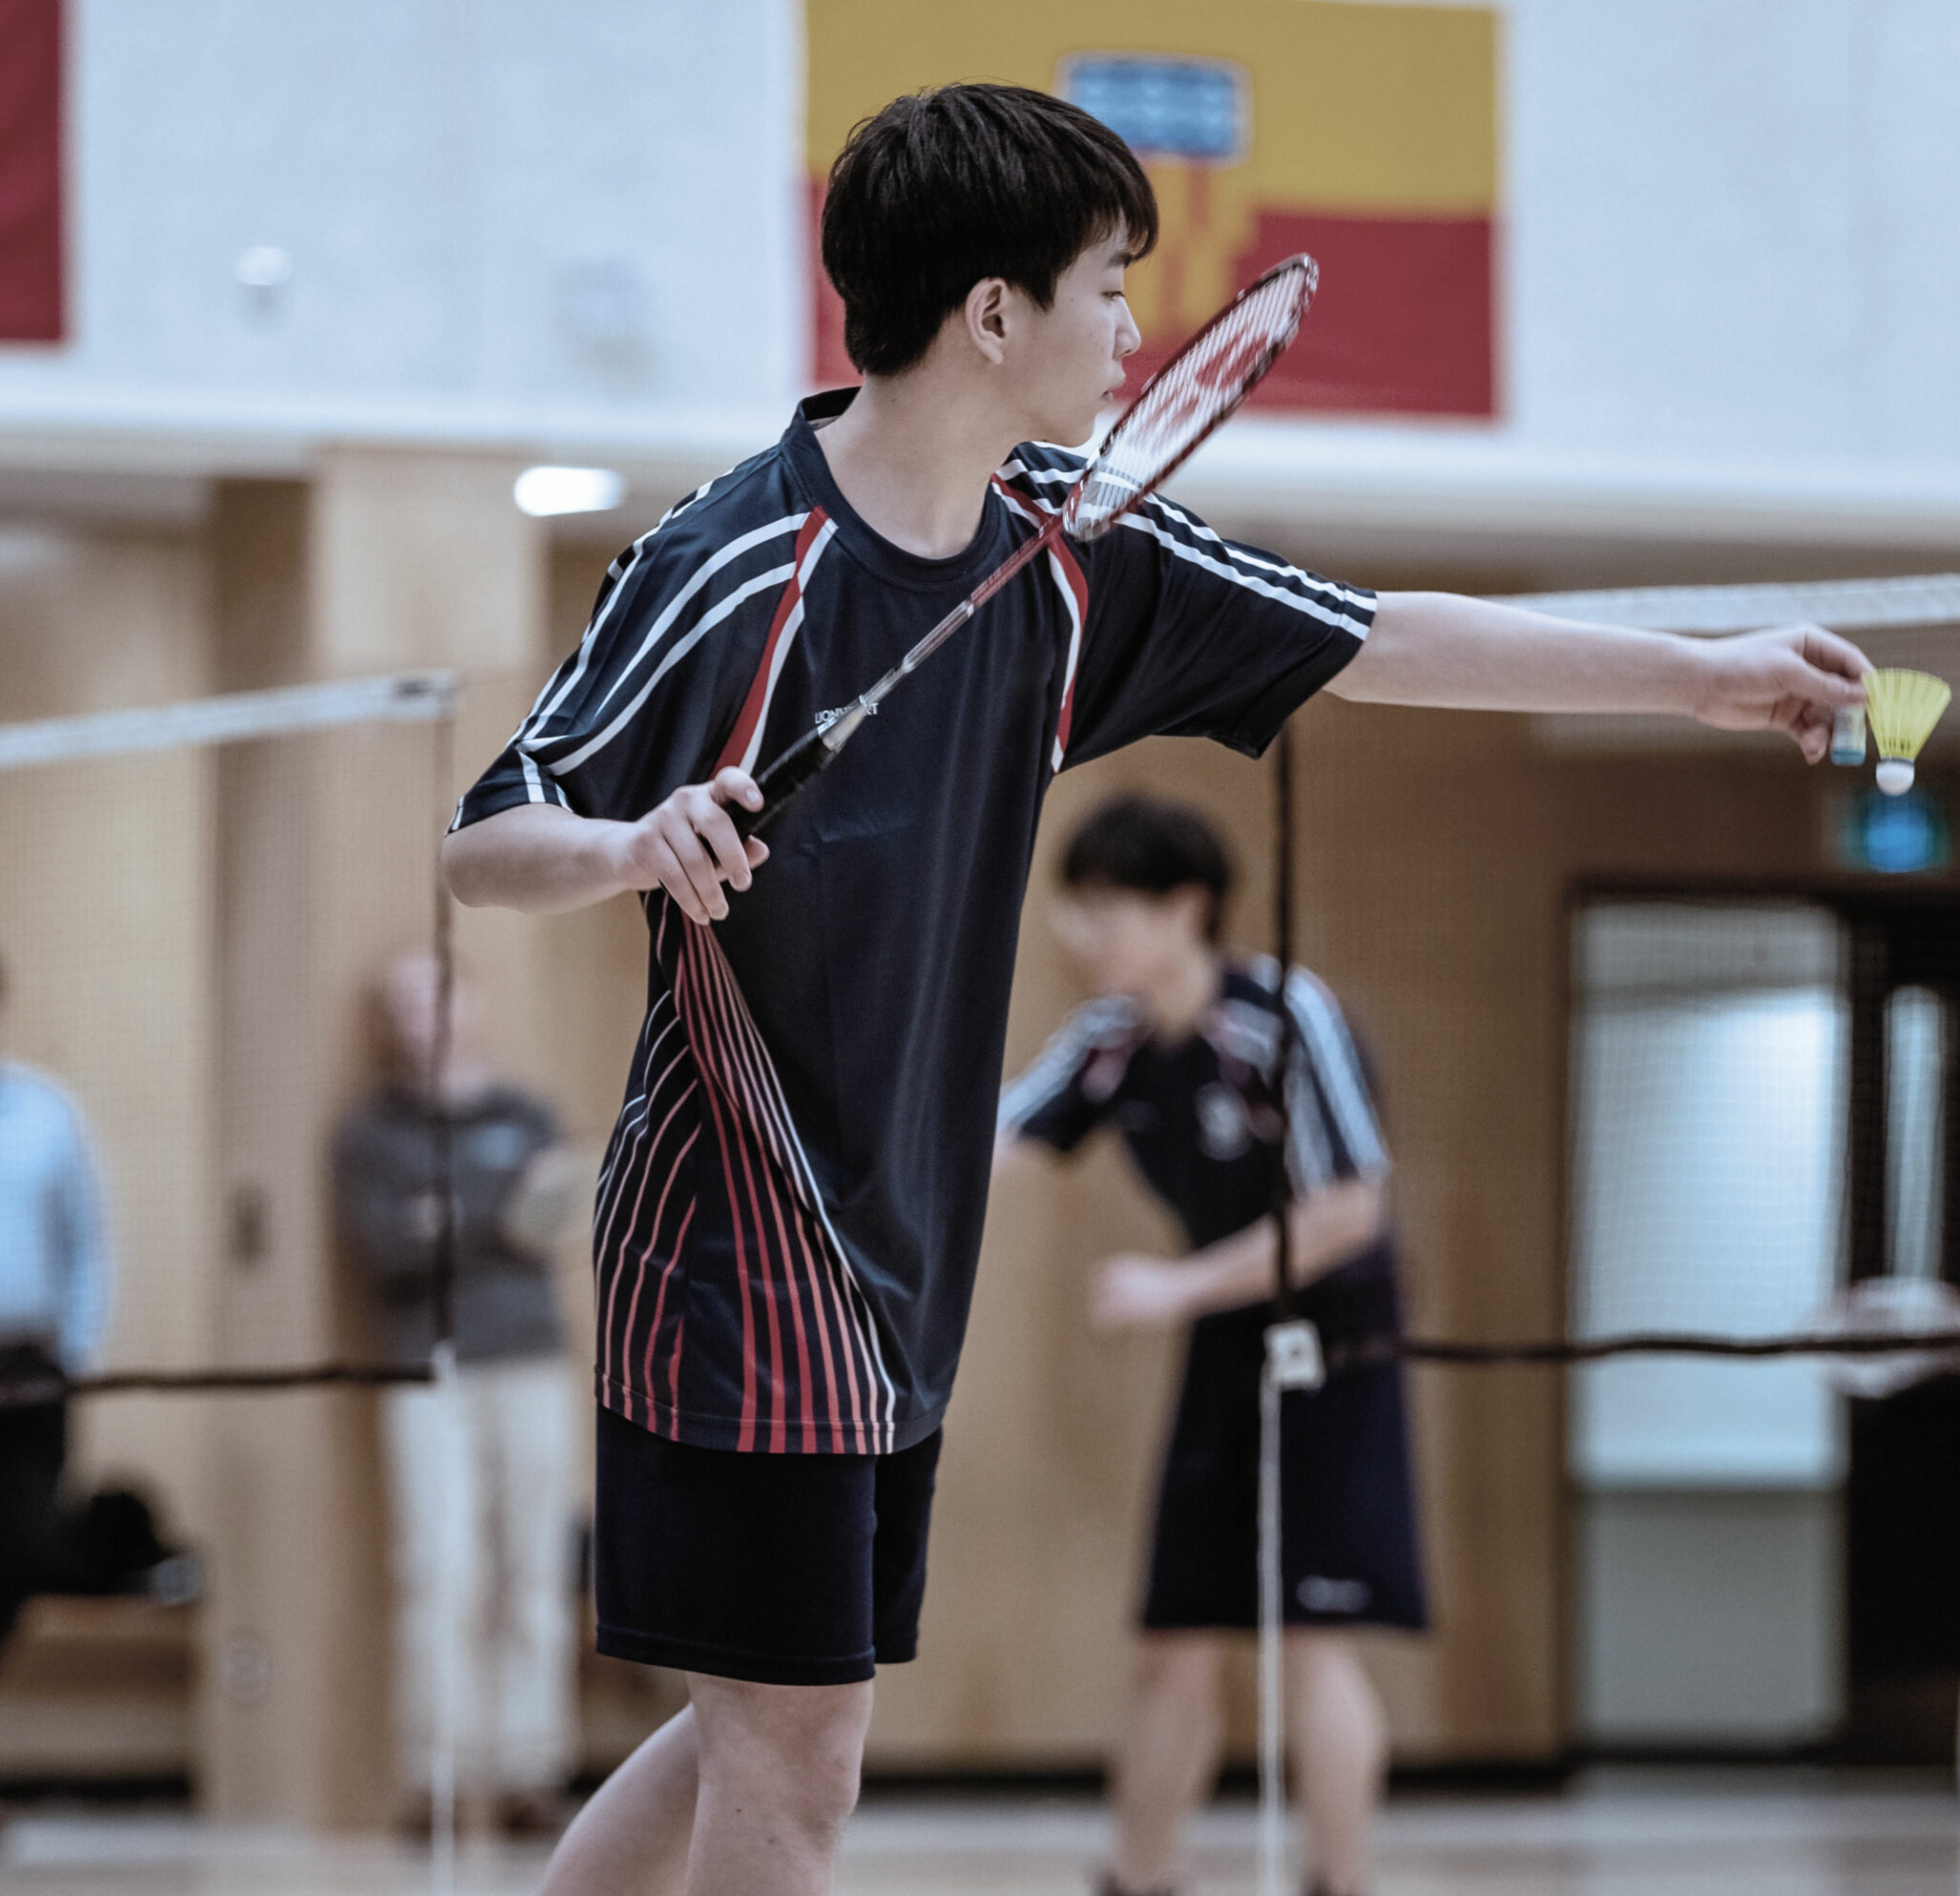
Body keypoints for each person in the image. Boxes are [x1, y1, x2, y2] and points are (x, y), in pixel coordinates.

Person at [440, 81, 1868, 1896]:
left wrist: (1706, 676)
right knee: (797, 1755)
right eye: (1110, 284)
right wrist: (634, 846)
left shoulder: (1067, 558)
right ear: (991, 314)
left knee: (766, 1717)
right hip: (738, 1241)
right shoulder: (735, 564)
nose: (1134, 329)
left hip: (903, 1265)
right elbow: (493, 833)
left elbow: (1379, 635)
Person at [996, 794, 1421, 1896]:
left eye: (1105, 907)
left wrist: (1176, 1284)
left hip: (1331, 1340)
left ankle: (1343, 1878)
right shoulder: (1109, 1039)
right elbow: (991, 1138)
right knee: (1171, 1635)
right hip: (1224, 1339)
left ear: (1185, 907)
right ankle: (1138, 1877)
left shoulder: (1286, 1017)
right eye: (1075, 909)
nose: (1085, 932)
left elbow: (1348, 1212)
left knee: (1311, 1638)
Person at [334, 949, 587, 1832]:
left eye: (433, 997)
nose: (422, 1019)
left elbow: (550, 1221)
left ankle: (531, 1768)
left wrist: (448, 1215)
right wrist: (495, 1212)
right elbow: (390, 1250)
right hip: (427, 1368)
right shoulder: (371, 1133)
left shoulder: (527, 1112)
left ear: (468, 1002)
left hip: (531, 1363)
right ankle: (437, 1774)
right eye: (401, 1004)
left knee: (533, 1567)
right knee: (441, 1569)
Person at [0, 952, 110, 1649]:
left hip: (29, 1360)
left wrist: (74, 1353)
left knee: (25, 1539)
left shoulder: (45, 1111)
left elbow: (90, 1243)